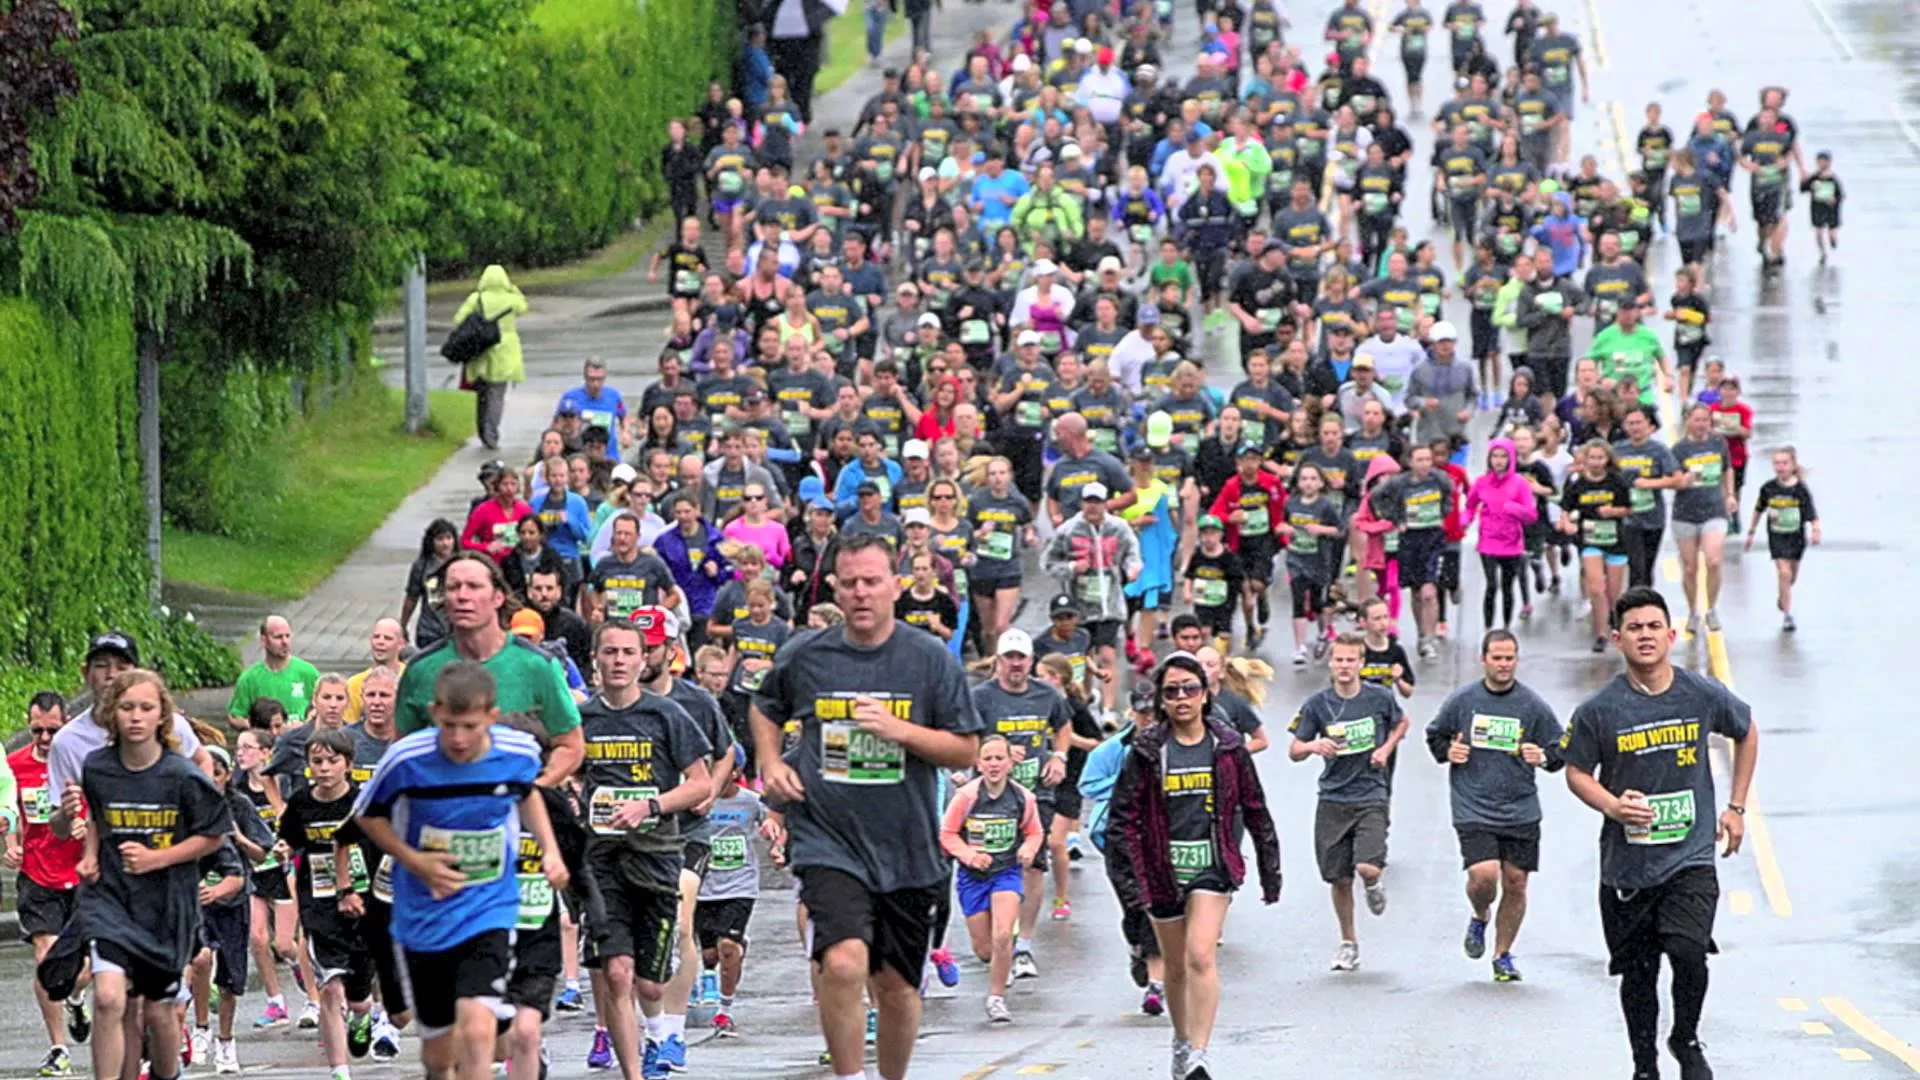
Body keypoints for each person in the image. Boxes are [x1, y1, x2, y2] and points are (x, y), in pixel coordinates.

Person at [751, 534, 984, 1080]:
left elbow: (966, 748)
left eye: (872, 582)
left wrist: (899, 730)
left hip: (906, 847)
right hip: (828, 838)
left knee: (898, 990)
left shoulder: (926, 659)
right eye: (849, 582)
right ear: (834, 585)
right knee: (842, 961)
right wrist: (770, 762)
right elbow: (764, 706)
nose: (860, 593)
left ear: (895, 585)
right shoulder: (807, 655)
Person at [1561, 587, 1759, 1080]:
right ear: (1617, 639)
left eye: (1654, 627)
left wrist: (1735, 808)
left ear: (1670, 635)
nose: (1645, 636)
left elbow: (1746, 729)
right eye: (1634, 628)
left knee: (1688, 950)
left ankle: (1685, 1038)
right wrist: (1612, 805)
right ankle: (1644, 1064)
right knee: (1639, 972)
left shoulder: (1699, 693)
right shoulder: (1600, 710)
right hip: (1629, 865)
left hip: (1690, 856)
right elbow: (1576, 771)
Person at [353, 662, 567, 1080]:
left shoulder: (518, 752)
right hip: (423, 914)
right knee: (437, 1054)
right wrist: (416, 861)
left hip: (488, 906)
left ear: (490, 714)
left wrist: (550, 851)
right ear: (434, 712)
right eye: (449, 725)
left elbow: (528, 795)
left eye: (469, 726)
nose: (458, 738)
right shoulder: (407, 759)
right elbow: (366, 816)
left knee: (476, 1026)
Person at [1107, 653, 1281, 1080]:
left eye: (1190, 689)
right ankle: (1183, 1042)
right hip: (1162, 870)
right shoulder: (1147, 751)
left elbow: (1255, 808)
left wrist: (1270, 869)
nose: (1182, 698)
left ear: (1205, 695)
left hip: (1211, 863)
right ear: (1161, 701)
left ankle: (1201, 1053)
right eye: (1172, 691)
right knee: (1176, 966)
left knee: (1201, 953)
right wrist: (1131, 884)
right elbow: (1122, 819)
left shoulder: (1227, 747)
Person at [573, 614, 714, 1080]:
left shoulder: (666, 714)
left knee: (650, 984)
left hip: (656, 857)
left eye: (627, 652)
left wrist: (648, 805)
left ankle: (659, 1034)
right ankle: (634, 1074)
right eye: (609, 652)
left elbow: (699, 785)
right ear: (594, 660)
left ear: (644, 659)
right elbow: (566, 773)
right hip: (600, 862)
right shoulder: (581, 719)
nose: (618, 661)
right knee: (616, 972)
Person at [75, 669, 232, 1080]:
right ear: (113, 713)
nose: (136, 717)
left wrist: (157, 859)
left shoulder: (181, 775)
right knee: (111, 1000)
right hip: (111, 899)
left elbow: (214, 836)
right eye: (127, 708)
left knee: (160, 1013)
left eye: (146, 708)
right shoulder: (97, 767)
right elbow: (96, 816)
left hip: (166, 905)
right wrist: (89, 855)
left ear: (162, 715)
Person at [1424, 630, 1563, 981]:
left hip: (1520, 807)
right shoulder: (1463, 701)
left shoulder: (1532, 706)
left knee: (1516, 882)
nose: (1503, 664)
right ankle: (1480, 915)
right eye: (1497, 658)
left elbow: (1561, 748)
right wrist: (1447, 752)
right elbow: (1435, 735)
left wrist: (1544, 756)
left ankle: (1502, 955)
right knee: (1484, 876)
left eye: (1509, 658)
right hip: (1474, 804)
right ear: (1483, 659)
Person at [393, 553, 585, 784]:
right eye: (453, 587)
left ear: (498, 597)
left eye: (474, 587)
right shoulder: (420, 670)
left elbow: (571, 745)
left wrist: (532, 789)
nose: (463, 596)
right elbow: (401, 751)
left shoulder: (537, 665)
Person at [1288, 634, 1408, 972]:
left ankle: (1372, 882)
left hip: (1370, 793)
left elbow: (1402, 722)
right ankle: (1348, 942)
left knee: (1367, 865)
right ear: (1331, 663)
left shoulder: (1379, 698)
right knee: (1338, 879)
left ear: (1361, 663)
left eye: (1350, 660)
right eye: (1338, 660)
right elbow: (1294, 750)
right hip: (1333, 797)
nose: (1344, 666)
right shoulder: (1317, 705)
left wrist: (1386, 749)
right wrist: (1315, 746)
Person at [275, 728, 379, 1080]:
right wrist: (284, 850)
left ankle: (363, 1017)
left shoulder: (364, 802)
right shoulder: (302, 803)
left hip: (362, 905)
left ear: (347, 765)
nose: (324, 768)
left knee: (358, 998)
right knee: (330, 988)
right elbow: (288, 839)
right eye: (316, 762)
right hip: (318, 905)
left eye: (332, 761)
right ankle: (339, 1071)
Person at [971, 628, 1074, 980]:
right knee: (991, 865)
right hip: (990, 796)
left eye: (1021, 658)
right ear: (998, 661)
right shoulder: (981, 697)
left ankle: (1024, 946)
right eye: (1009, 658)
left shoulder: (1047, 694)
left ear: (1031, 661)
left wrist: (1059, 757)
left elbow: (1063, 725)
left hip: (1035, 793)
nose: (1015, 665)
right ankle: (999, 938)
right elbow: (963, 738)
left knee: (1031, 865)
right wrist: (995, 752)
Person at [10, 692, 91, 1078]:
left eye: (52, 731)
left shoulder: (82, 761)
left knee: (82, 969)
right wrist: (8, 847)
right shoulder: (14, 767)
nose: (44, 739)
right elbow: (5, 812)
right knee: (46, 959)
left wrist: (86, 829)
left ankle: (76, 997)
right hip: (37, 874)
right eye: (37, 730)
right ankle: (58, 1048)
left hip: (81, 874)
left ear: (68, 722)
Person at [940, 735, 1045, 1024]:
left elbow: (1035, 832)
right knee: (985, 949)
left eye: (1000, 758)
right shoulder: (967, 797)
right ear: (978, 763)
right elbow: (947, 834)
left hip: (1006, 872)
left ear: (1011, 763)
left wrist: (1027, 849)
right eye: (988, 759)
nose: (994, 764)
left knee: (1001, 934)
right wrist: (970, 856)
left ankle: (996, 998)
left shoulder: (1023, 797)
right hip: (973, 877)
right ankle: (1000, 958)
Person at [695, 749, 764, 1034]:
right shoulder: (698, 802)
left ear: (735, 772)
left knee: (727, 948)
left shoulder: (751, 803)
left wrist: (777, 838)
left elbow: (775, 820)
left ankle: (725, 1010)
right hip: (703, 887)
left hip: (740, 885)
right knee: (710, 954)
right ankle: (728, 956)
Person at [1744, 446, 1820, 632]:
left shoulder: (1800, 490)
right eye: (1777, 463)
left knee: (1790, 577)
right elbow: (1758, 510)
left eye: (1784, 463)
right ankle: (1787, 615)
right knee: (1784, 573)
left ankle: (1783, 596)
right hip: (1777, 538)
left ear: (1793, 465)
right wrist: (1751, 533)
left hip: (1796, 538)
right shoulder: (1769, 488)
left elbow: (1812, 514)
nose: (1780, 467)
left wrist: (1816, 530)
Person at [453, 265, 529, 450]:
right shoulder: (511, 300)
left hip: (481, 352)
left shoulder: (476, 299)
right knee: (496, 396)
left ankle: (482, 431)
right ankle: (491, 434)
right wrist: (513, 289)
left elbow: (458, 319)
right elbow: (524, 306)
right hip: (504, 353)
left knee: (482, 396)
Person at [227, 616, 322, 723]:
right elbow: (235, 716)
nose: (285, 641)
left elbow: (323, 708)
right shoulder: (249, 678)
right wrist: (259, 727)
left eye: (288, 636)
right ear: (263, 640)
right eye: (278, 637)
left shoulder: (308, 673)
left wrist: (307, 723)